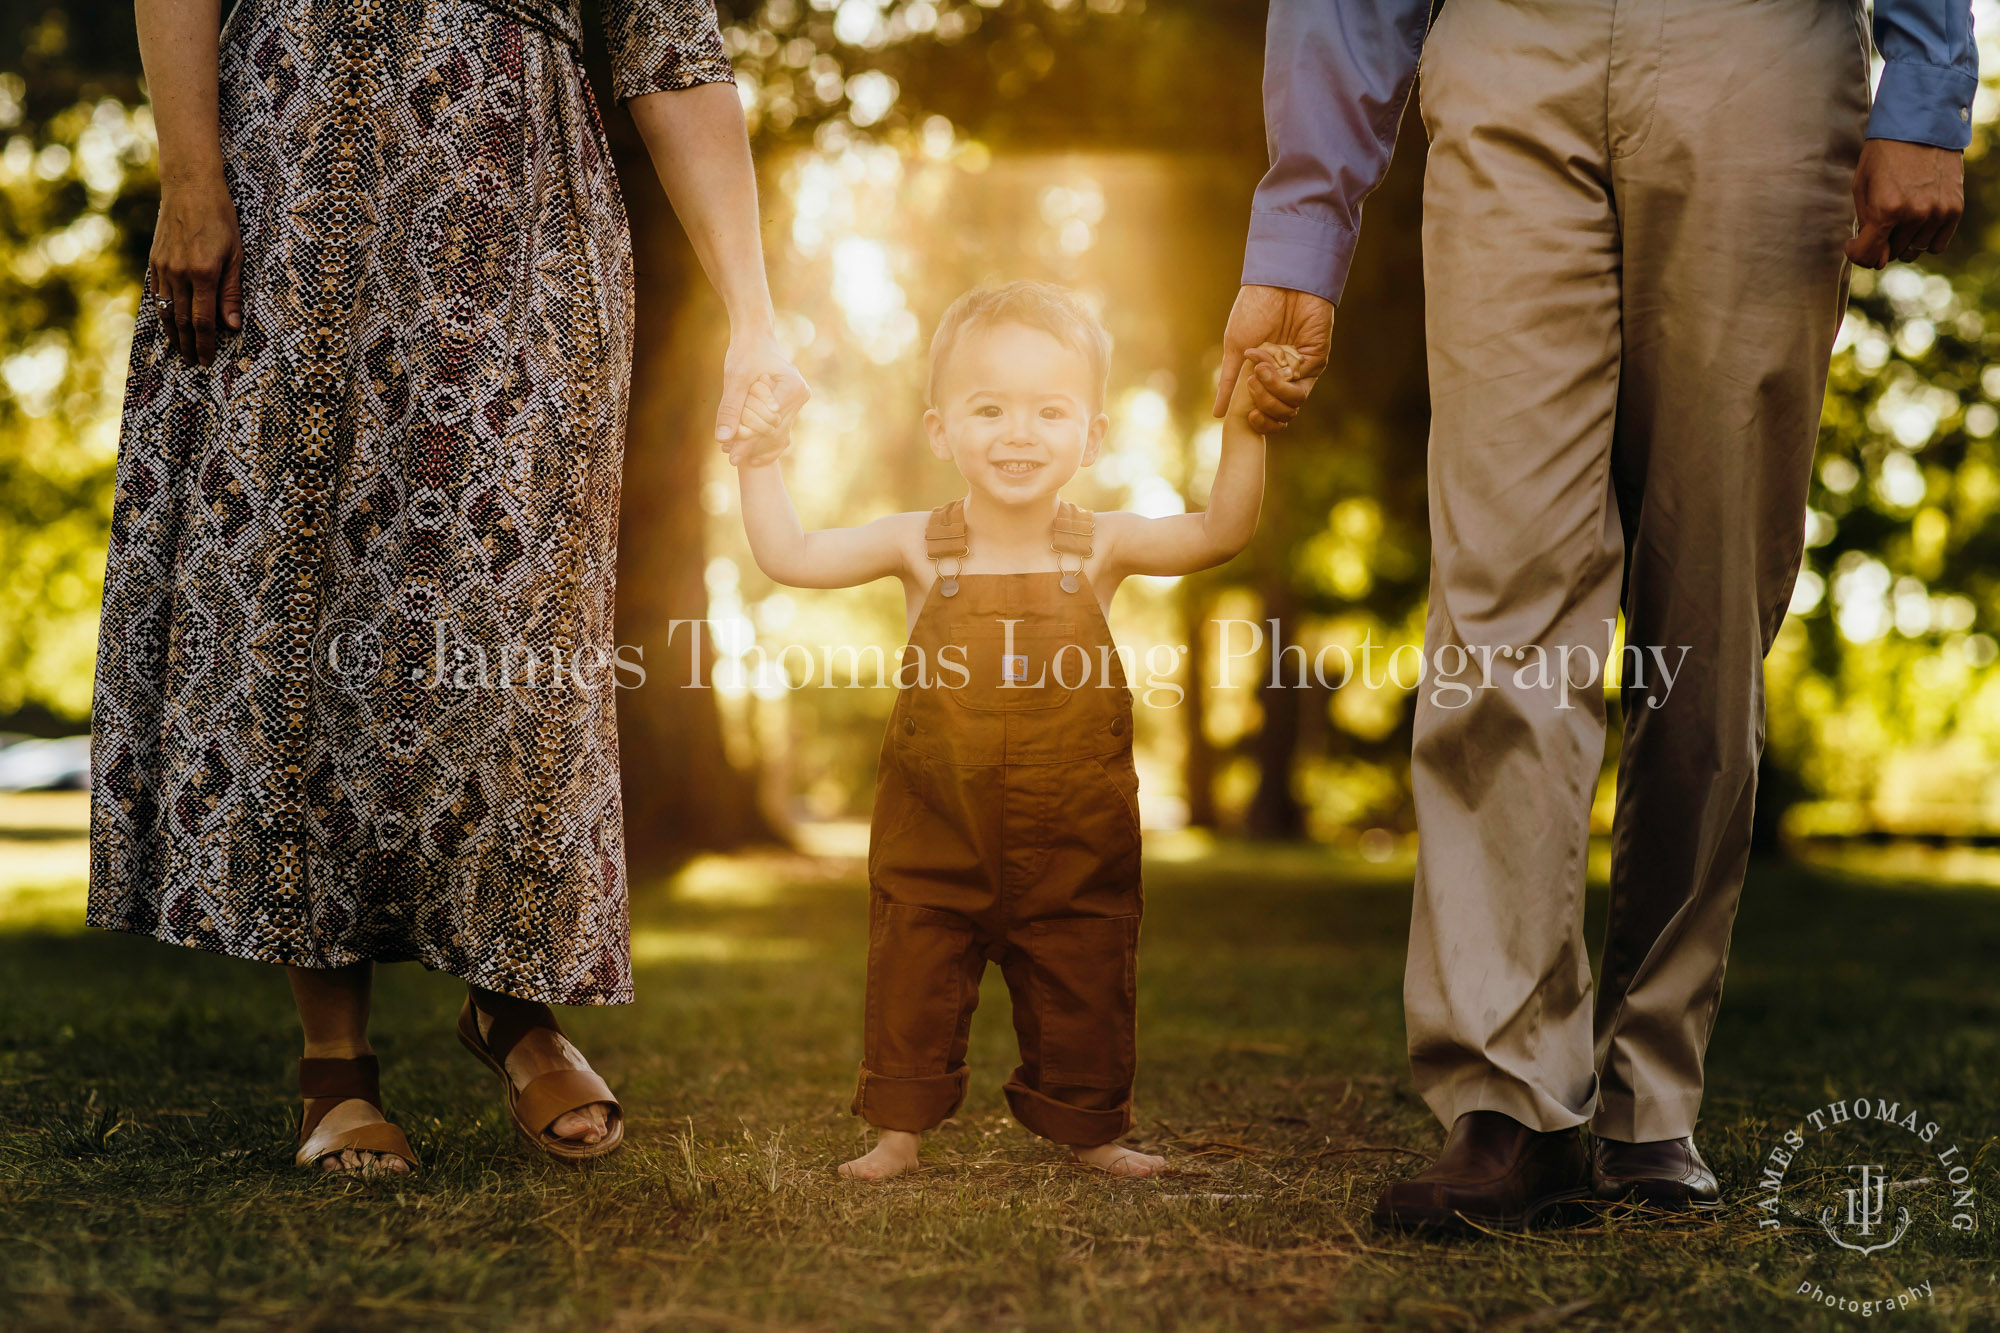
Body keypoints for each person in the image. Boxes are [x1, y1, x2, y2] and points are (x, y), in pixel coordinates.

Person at [1218, 0, 1973, 1230]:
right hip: (1509, 50)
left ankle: (1647, 1094)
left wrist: (1928, 79)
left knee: (1706, 614)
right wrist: (1300, 230)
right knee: (1501, 594)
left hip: (1761, 56)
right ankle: (1506, 1093)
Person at [89, 0, 805, 1174]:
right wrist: (190, 172)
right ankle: (335, 1061)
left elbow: (673, 51)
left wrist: (755, 319)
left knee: (517, 628)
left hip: (523, 219)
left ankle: (514, 1002)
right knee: (299, 607)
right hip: (293, 183)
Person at [734, 281, 1287, 1179]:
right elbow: (788, 556)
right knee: (912, 965)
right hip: (936, 827)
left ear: (1092, 435)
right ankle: (897, 1135)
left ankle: (1093, 1128)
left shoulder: (1100, 546)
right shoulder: (919, 544)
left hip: (1074, 836)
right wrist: (760, 460)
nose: (1018, 432)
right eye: (988, 409)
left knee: (1087, 971)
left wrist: (1247, 429)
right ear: (941, 430)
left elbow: (1220, 530)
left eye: (1048, 410)